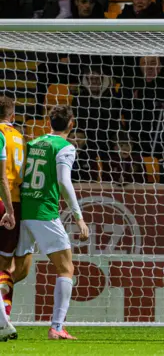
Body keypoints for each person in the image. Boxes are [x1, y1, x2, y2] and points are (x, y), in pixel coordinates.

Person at [14, 105, 90, 340]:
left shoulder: (34, 143)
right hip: (44, 212)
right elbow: (64, 182)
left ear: (49, 122)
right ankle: (57, 327)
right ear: (71, 123)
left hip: (22, 209)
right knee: (66, 268)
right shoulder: (66, 147)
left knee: (18, 272)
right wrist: (79, 217)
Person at [0, 96, 25, 341]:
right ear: (13, 115)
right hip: (17, 202)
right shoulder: (19, 137)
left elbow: (1, 175)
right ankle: (5, 318)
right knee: (5, 267)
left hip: (3, 200)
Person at [122, 56, 164, 158]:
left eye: (153, 62)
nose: (149, 67)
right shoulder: (130, 82)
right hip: (138, 143)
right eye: (144, 63)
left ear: (161, 66)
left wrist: (142, 94)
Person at [72, 64, 121, 163]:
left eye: (96, 79)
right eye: (90, 79)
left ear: (103, 79)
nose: (93, 82)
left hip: (108, 139)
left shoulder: (113, 97)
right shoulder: (79, 98)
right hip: (87, 141)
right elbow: (80, 121)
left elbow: (113, 118)